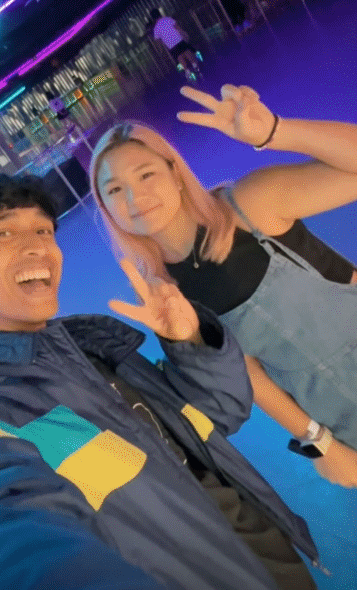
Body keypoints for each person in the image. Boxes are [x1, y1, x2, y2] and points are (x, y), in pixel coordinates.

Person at [0, 174, 321, 589]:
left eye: (43, 230)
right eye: (2, 233)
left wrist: (192, 343)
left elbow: (222, 413)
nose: (36, 244)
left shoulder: (94, 348)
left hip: (270, 558)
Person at [90, 84, 357, 488]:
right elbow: (248, 373)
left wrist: (275, 132)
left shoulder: (251, 206)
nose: (135, 197)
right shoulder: (163, 293)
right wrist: (320, 443)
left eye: (146, 174)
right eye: (114, 190)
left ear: (176, 174)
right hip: (338, 411)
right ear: (107, 208)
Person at [150, 8, 203, 80]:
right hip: (178, 39)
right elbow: (177, 27)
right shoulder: (167, 19)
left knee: (180, 58)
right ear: (159, 13)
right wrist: (184, 33)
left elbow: (158, 41)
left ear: (153, 18)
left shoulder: (156, 28)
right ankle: (197, 69)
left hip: (170, 45)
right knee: (188, 53)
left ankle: (188, 73)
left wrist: (160, 50)